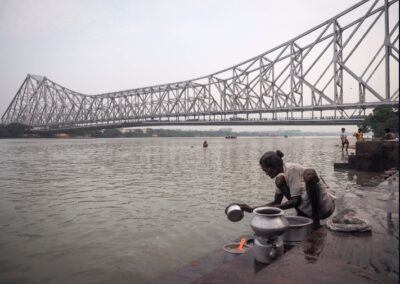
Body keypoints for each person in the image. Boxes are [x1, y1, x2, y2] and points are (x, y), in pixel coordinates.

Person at [239, 150, 335, 229]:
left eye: (266, 170)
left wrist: (274, 210)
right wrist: (252, 209)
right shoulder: (280, 177)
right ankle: (302, 214)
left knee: (309, 174)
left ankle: (315, 219)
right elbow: (276, 202)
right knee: (280, 181)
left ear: (274, 166)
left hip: (325, 207)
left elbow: (295, 201)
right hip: (307, 212)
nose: (266, 174)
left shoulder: (291, 169)